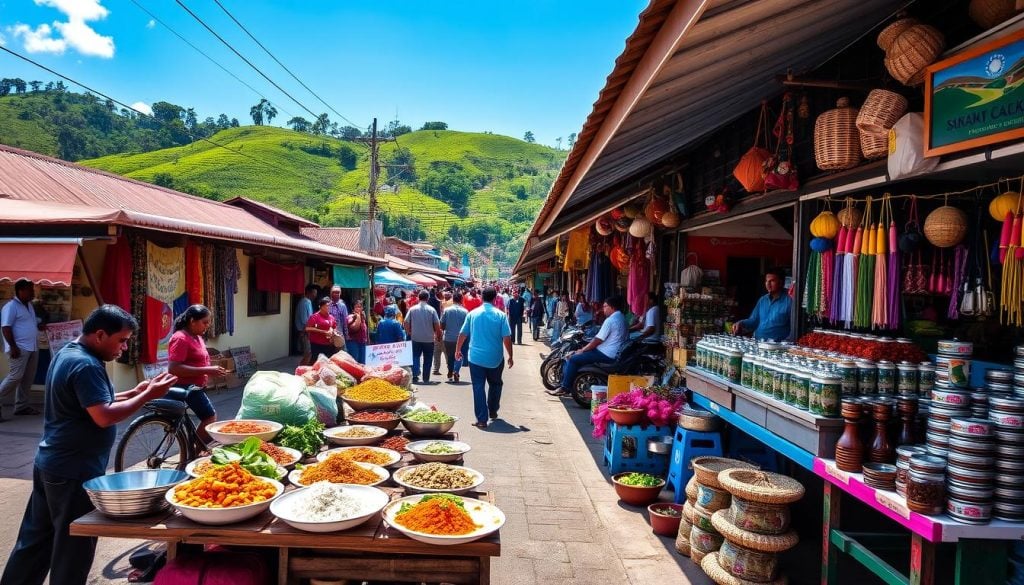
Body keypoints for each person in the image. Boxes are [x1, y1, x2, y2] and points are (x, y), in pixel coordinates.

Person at [1, 305, 178, 585]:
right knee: (75, 545)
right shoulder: (85, 365)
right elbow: (103, 416)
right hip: (72, 470)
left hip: (52, 463)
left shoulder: (70, 354)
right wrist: (148, 397)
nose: (123, 347)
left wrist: (137, 391)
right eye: (121, 340)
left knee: (35, 540)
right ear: (99, 334)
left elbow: (95, 400)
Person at [167, 304, 226, 446]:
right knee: (209, 417)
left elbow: (197, 359)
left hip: (195, 386)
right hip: (185, 387)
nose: (207, 326)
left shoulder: (197, 337)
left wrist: (210, 368)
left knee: (201, 418)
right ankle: (194, 450)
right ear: (192, 321)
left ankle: (191, 448)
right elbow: (174, 368)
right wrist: (207, 370)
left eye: (208, 323)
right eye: (204, 322)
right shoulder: (180, 338)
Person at [548, 295, 628, 397]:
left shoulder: (610, 320)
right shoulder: (622, 318)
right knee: (578, 354)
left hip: (605, 354)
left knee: (573, 359)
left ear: (612, 307)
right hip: (613, 353)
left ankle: (565, 387)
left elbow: (598, 340)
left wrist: (583, 350)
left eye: (605, 306)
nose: (603, 309)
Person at [455, 287, 513, 428]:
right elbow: (507, 337)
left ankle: (482, 419)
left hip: (475, 358)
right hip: (495, 358)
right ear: (495, 299)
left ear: (481, 297)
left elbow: (463, 333)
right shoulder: (501, 315)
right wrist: (511, 355)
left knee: (478, 387)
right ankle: (492, 410)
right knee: (496, 384)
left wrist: (457, 350)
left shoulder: (472, 314)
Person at [1, 279, 41, 419]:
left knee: (27, 379)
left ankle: (21, 406)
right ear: (21, 291)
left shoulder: (29, 305)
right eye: (30, 290)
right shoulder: (11, 306)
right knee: (15, 377)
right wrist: (13, 346)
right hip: (19, 348)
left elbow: (28, 323)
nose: (33, 293)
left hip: (32, 347)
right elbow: (6, 327)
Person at [731, 268, 793, 341]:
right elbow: (753, 321)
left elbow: (795, 328)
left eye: (772, 281)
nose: (768, 284)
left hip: (778, 346)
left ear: (781, 282)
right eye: (766, 281)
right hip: (759, 343)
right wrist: (740, 323)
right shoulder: (763, 300)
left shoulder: (790, 300)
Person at [405, 291, 442, 384]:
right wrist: (438, 335)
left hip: (415, 338)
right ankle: (426, 378)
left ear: (418, 298)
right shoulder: (432, 310)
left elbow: (406, 322)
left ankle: (415, 375)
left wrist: (409, 332)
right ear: (428, 298)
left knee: (415, 356)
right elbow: (437, 325)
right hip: (429, 339)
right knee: (428, 358)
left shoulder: (412, 309)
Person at [440, 292, 469, 382]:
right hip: (461, 338)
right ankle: (456, 371)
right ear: (461, 299)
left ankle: (450, 371)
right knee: (459, 355)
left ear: (453, 299)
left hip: (448, 338)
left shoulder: (447, 310)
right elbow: (467, 326)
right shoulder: (465, 311)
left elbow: (442, 324)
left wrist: (445, 328)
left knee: (450, 356)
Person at [295, 284, 317, 366]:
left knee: (308, 352)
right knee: (308, 352)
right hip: (304, 331)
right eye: (313, 293)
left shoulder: (307, 302)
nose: (315, 296)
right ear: (308, 293)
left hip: (306, 330)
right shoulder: (305, 302)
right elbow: (305, 320)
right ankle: (302, 369)